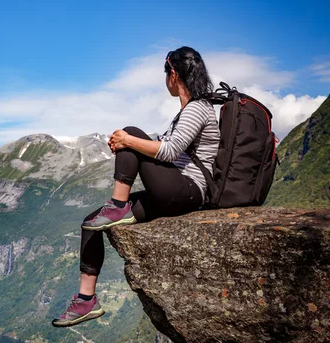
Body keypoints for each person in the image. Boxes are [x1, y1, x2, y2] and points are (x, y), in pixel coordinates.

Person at [52, 46, 221, 327]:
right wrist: (123, 141)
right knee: (92, 222)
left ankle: (118, 205)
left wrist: (127, 140)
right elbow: (164, 144)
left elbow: (168, 151)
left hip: (189, 191)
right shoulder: (188, 112)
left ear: (173, 75)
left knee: (130, 133)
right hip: (173, 191)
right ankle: (86, 300)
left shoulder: (198, 108)